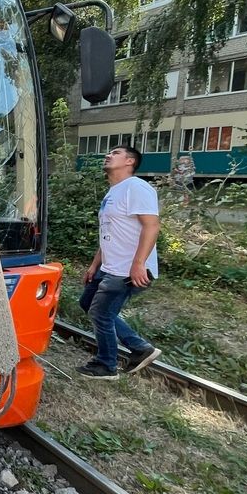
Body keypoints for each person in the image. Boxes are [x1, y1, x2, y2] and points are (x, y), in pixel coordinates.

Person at [77, 145, 162, 380]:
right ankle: (140, 348)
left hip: (128, 269)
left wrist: (139, 263)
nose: (108, 155)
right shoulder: (113, 191)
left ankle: (106, 365)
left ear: (130, 161)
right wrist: (95, 265)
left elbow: (152, 226)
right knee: (87, 302)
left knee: (101, 313)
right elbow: (109, 234)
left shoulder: (136, 187)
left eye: (115, 153)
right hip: (109, 267)